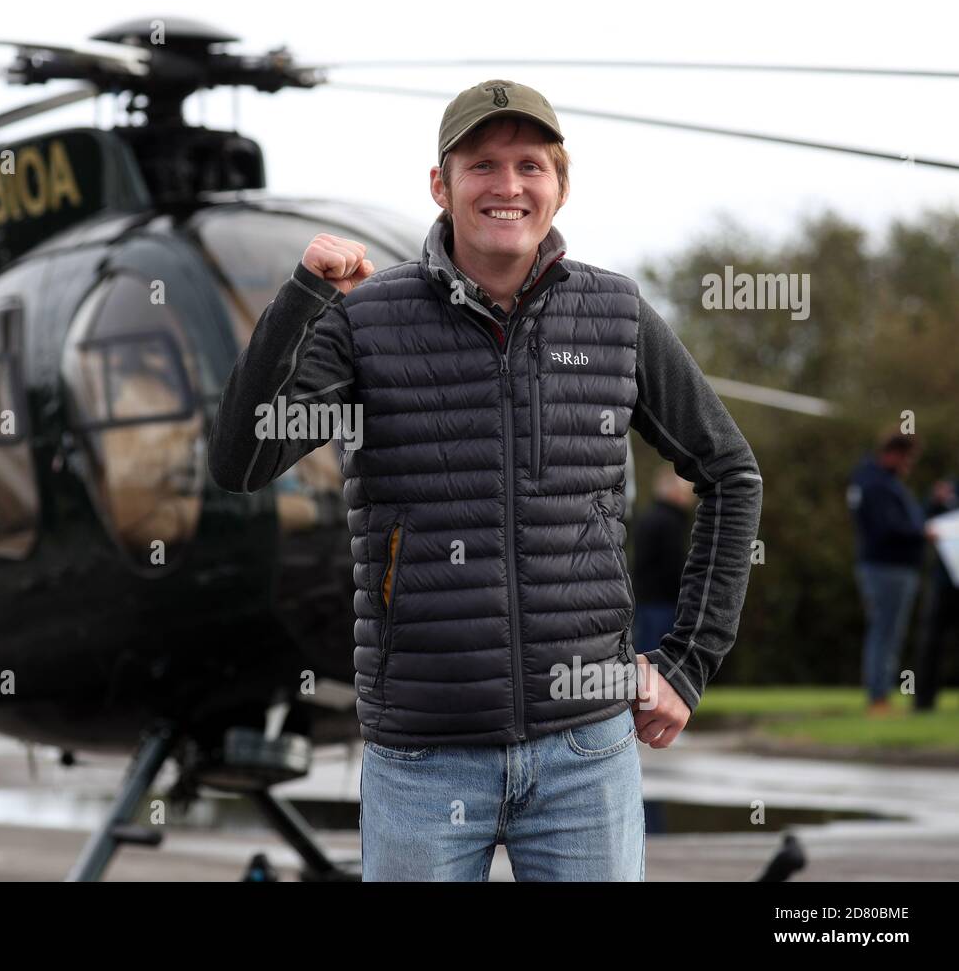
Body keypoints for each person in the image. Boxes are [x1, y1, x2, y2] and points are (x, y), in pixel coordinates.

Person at [208, 79, 763, 881]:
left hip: (586, 752)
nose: (509, 186)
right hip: (421, 756)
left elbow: (730, 473)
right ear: (441, 185)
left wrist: (688, 661)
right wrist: (300, 299)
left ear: (560, 186)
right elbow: (241, 461)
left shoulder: (616, 314)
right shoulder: (367, 321)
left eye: (531, 165)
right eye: (483, 165)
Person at [847, 432, 928, 715]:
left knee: (885, 633)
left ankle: (880, 697)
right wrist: (923, 532)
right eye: (907, 459)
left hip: (884, 567)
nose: (908, 466)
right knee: (885, 634)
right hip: (887, 568)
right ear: (894, 454)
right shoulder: (877, 484)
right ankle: (878, 699)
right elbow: (888, 528)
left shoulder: (870, 480)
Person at [632, 466, 696, 655]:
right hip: (665, 605)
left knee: (644, 657)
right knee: (662, 659)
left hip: (644, 602)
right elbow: (675, 567)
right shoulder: (672, 523)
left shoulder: (647, 517)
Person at [915, 474, 958, 711]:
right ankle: (923, 701)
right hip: (944, 581)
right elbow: (919, 521)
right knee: (931, 642)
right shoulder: (949, 489)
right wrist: (934, 501)